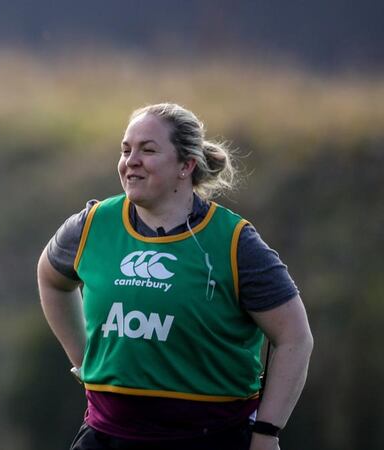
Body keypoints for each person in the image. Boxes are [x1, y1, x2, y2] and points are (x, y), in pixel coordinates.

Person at [37, 103, 313, 450]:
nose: (131, 160)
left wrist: (267, 432)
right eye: (126, 150)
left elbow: (294, 337)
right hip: (107, 436)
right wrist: (85, 359)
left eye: (148, 150)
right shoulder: (92, 225)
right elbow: (51, 278)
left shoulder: (233, 241)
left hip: (210, 438)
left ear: (186, 165)